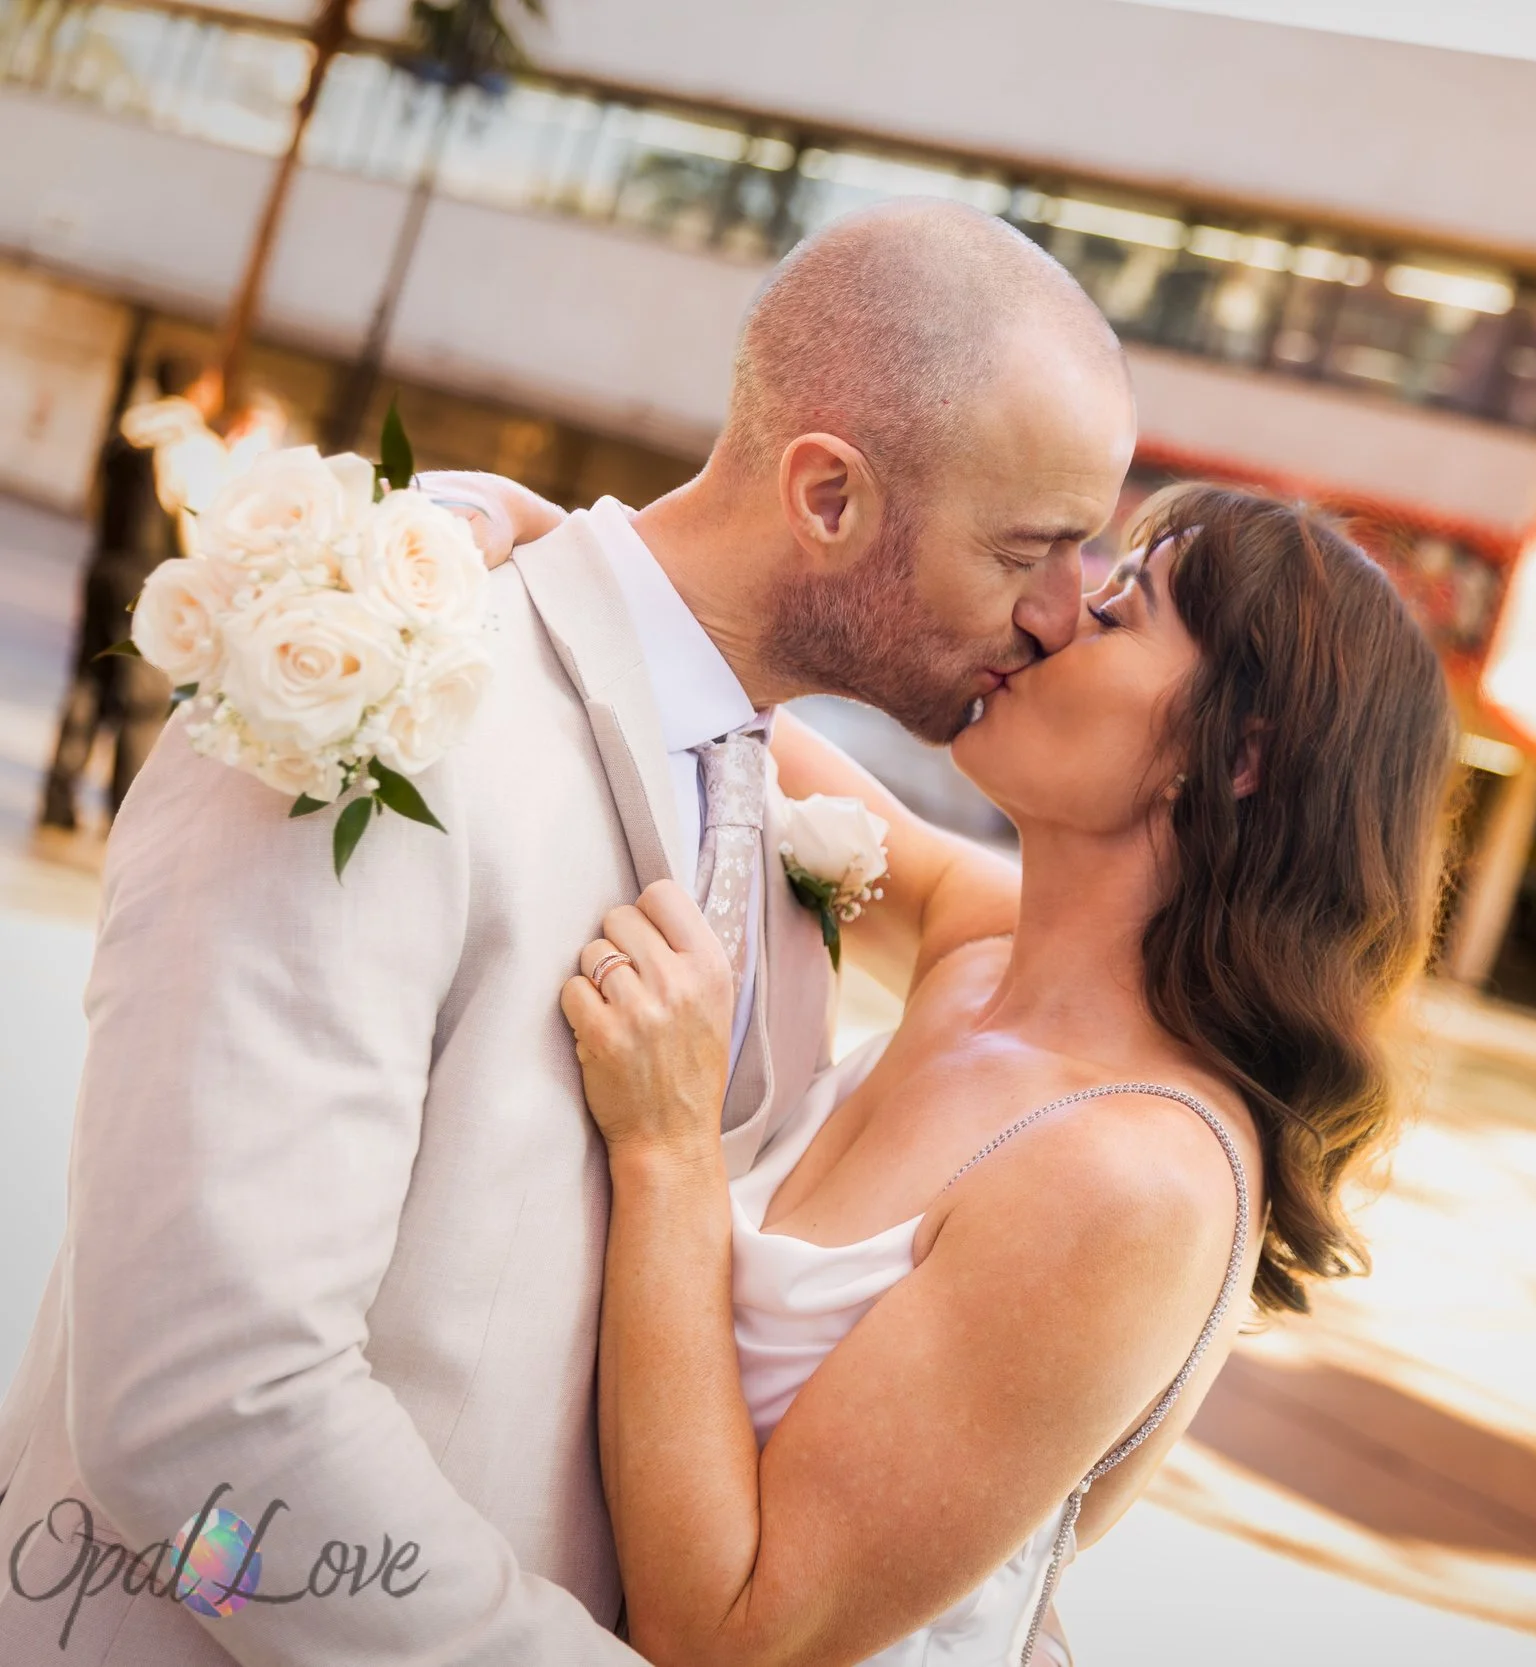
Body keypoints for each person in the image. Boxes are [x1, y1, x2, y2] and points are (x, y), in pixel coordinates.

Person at [0, 199, 1136, 1664]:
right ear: (831, 498)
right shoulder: (374, 705)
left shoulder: (770, 795)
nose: (1064, 610)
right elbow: (197, 1415)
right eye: (1029, 548)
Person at [557, 485, 1453, 1664]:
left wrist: (666, 1144)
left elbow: (730, 1634)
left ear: (1235, 754)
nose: (1050, 615)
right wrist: (561, 553)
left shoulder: (1126, 1180)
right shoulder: (984, 949)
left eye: (1122, 609)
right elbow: (752, 747)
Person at [37, 354, 189, 831]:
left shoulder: (120, 437)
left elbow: (93, 500)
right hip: (146, 577)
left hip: (103, 564)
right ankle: (122, 809)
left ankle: (58, 798)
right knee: (141, 699)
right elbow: (190, 520)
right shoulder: (186, 442)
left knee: (86, 681)